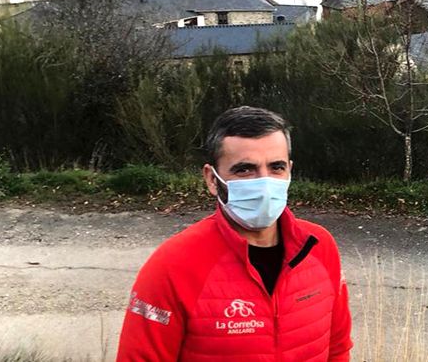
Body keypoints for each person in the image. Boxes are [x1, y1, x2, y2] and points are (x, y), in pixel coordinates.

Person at [117, 106, 352, 361]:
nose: (264, 183)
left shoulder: (319, 247)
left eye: (276, 167)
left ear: (289, 171)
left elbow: (337, 348)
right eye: (244, 169)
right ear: (211, 179)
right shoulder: (172, 266)